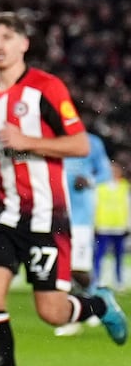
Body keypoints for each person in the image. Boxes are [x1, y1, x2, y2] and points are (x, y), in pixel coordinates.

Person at [0, 11, 125, 366]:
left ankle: (101, 305)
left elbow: (79, 145)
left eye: (7, 36)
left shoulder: (46, 88)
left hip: (47, 215)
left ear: (24, 43)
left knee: (52, 311)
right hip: (2, 214)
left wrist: (29, 140)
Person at [56, 131, 112, 336]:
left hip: (80, 217)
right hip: (55, 214)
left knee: (78, 269)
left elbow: (106, 173)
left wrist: (88, 180)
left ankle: (96, 302)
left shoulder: (92, 142)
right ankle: (76, 314)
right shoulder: (52, 138)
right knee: (60, 267)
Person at [96, 160, 129, 290]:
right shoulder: (100, 186)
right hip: (103, 226)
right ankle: (97, 280)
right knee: (99, 255)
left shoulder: (124, 186)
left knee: (119, 256)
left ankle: (119, 281)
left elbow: (128, 206)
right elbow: (95, 204)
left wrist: (128, 225)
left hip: (119, 227)